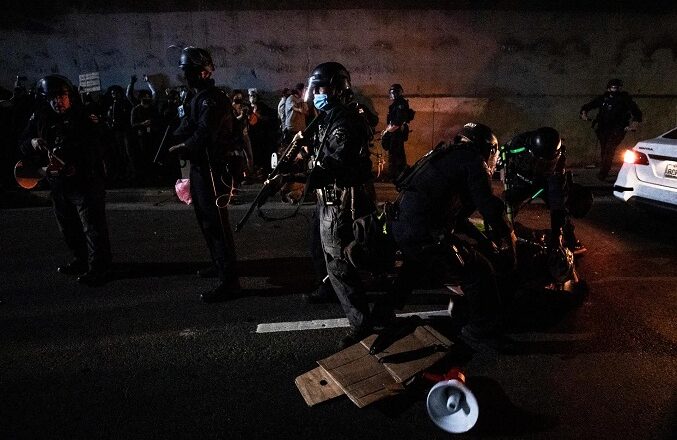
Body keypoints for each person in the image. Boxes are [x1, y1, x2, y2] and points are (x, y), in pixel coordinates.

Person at [388, 123, 516, 348]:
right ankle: (480, 331)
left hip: (401, 226)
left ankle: (384, 310)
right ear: (488, 150)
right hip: (424, 234)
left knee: (416, 263)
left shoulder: (445, 154)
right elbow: (488, 207)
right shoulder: (473, 161)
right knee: (479, 272)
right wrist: (506, 238)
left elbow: (457, 218)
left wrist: (484, 240)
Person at [301, 62, 376, 347]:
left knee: (340, 260)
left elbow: (334, 164)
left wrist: (301, 176)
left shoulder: (345, 121)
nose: (317, 94)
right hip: (329, 196)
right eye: (315, 89)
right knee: (324, 252)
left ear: (338, 89)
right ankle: (332, 290)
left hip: (341, 198)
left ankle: (362, 323)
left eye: (322, 89)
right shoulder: (330, 117)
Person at [19, 74, 111, 285]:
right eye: (52, 97)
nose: (58, 101)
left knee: (92, 227)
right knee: (68, 226)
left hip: (85, 181)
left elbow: (96, 147)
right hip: (59, 183)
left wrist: (75, 164)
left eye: (62, 96)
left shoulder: (83, 117)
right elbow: (22, 142)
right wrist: (33, 142)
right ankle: (81, 259)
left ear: (70, 96)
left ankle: (100, 266)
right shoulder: (40, 118)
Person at [168, 46, 240, 303]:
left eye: (188, 71)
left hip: (214, 167)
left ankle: (229, 280)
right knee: (204, 219)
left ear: (202, 72)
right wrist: (174, 138)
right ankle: (218, 264)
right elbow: (187, 125)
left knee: (216, 223)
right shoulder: (196, 97)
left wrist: (184, 146)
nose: (185, 76)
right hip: (200, 167)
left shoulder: (212, 98)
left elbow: (204, 132)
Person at [500, 127, 586, 255]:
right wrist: (502, 167)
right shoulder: (519, 144)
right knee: (506, 206)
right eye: (539, 161)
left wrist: (557, 236)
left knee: (561, 209)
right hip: (522, 180)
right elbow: (503, 151)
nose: (542, 165)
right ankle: (504, 236)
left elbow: (557, 200)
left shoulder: (558, 166)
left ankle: (570, 239)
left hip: (545, 182)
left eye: (547, 162)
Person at [580, 79, 642, 181]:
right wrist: (584, 113)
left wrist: (633, 124)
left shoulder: (624, 99)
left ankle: (603, 173)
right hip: (603, 129)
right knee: (604, 150)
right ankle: (605, 169)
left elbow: (637, 113)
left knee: (609, 149)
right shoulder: (603, 98)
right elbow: (589, 105)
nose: (615, 90)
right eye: (613, 87)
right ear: (608, 88)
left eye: (617, 87)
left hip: (618, 129)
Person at [381, 83, 411, 181]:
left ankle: (395, 176)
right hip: (395, 134)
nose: (392, 95)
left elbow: (397, 123)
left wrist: (386, 131)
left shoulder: (400, 105)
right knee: (398, 155)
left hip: (397, 135)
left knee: (395, 156)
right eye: (391, 93)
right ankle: (399, 175)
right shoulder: (396, 104)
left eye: (394, 92)